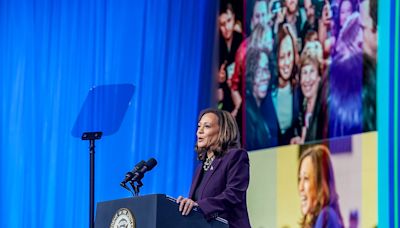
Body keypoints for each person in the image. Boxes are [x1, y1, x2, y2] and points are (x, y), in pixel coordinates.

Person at [177, 109, 251, 228]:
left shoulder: (236, 156)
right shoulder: (200, 167)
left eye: (207, 126)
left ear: (222, 131)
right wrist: (185, 205)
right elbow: (197, 203)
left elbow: (234, 195)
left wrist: (199, 206)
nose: (199, 131)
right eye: (199, 126)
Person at [298, 145, 344, 227]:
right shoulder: (325, 216)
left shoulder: (326, 216)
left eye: (306, 178)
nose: (300, 187)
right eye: (299, 179)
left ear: (320, 183)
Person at [245, 48, 277, 150]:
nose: (264, 77)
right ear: (251, 76)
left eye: (266, 69)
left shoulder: (266, 104)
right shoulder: (246, 114)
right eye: (259, 71)